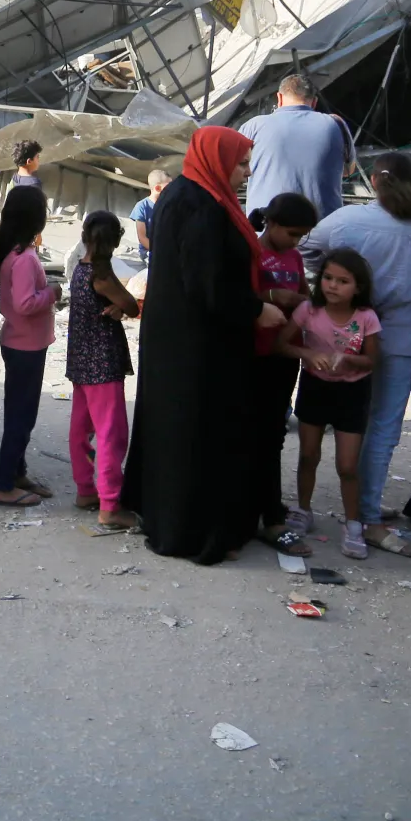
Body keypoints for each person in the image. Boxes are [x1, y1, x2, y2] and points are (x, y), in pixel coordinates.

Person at [123, 126, 285, 563]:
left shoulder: (190, 195)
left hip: (181, 339)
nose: (247, 172)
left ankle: (169, 517)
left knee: (178, 430)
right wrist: (256, 310)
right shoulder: (199, 206)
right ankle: (193, 531)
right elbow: (208, 282)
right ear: (218, 159)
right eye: (242, 163)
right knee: (197, 432)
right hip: (196, 346)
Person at [297, 153, 411, 556]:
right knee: (382, 429)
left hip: (339, 334)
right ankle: (366, 517)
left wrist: (322, 298)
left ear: (372, 180)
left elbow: (306, 252)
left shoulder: (343, 221)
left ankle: (327, 511)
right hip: (398, 334)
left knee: (337, 424)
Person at [282, 248, 381, 559]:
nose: (333, 286)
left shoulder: (366, 317)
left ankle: (354, 524)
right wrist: (309, 354)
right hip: (315, 388)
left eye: (343, 281)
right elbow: (280, 343)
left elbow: (372, 361)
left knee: (347, 466)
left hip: (352, 394)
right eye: (327, 278)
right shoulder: (309, 311)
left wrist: (348, 360)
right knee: (309, 455)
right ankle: (303, 510)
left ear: (359, 287)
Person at [250, 192, 318, 553]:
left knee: (274, 433)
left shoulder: (293, 256)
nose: (296, 241)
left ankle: (270, 511)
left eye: (301, 235)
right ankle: (264, 516)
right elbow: (242, 294)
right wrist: (273, 296)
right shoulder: (253, 251)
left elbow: (304, 292)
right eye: (291, 233)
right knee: (253, 433)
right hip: (254, 355)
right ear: (272, 224)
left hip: (284, 355)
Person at [67, 211, 139, 527]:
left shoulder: (78, 270)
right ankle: (109, 504)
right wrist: (120, 308)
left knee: (81, 429)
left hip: (81, 361)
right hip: (103, 363)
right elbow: (133, 306)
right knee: (112, 433)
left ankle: (86, 489)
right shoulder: (103, 276)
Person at [0, 184, 59, 507]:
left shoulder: (15, 252)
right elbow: (25, 303)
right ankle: (4, 483)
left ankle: (17, 473)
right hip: (25, 347)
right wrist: (53, 294)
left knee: (20, 412)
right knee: (21, 416)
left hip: (21, 342)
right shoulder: (24, 259)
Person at [238, 72, 353, 218]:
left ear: (279, 98)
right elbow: (348, 170)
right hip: (323, 230)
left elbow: (234, 171)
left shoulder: (253, 126)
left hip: (267, 228)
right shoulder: (336, 124)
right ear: (314, 102)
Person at [130, 169, 167, 266]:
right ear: (158, 188)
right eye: (169, 187)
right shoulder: (142, 206)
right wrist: (158, 251)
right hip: (149, 250)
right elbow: (142, 237)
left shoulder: (169, 206)